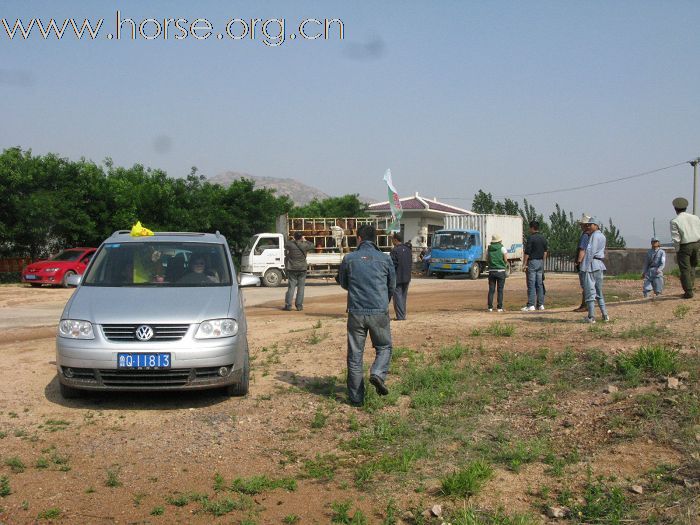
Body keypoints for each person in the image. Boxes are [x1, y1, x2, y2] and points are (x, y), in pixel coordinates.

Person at [338, 224, 396, 406]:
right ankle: (378, 373)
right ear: (375, 238)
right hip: (379, 310)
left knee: (355, 355)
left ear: (359, 238)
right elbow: (392, 285)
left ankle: (356, 400)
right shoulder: (385, 259)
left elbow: (343, 282)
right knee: (384, 347)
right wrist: (382, 302)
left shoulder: (349, 258)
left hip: (355, 311)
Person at [579, 218, 609, 323]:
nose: (588, 227)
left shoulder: (594, 236)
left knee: (590, 292)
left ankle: (591, 316)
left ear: (596, 225)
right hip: (599, 265)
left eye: (590, 225)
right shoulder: (602, 236)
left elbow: (590, 251)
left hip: (591, 265)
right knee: (599, 292)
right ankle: (605, 315)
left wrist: (584, 267)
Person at [670, 197, 700, 299]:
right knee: (692, 266)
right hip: (696, 244)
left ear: (675, 208)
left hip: (685, 246)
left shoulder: (675, 221)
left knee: (685, 269)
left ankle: (688, 292)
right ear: (686, 207)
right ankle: (691, 286)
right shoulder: (695, 218)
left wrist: (677, 250)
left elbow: (676, 238)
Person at [521, 221, 548, 311]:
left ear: (532, 228)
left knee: (531, 283)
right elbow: (545, 252)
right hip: (540, 262)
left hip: (532, 262)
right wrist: (542, 262)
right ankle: (540, 304)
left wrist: (524, 264)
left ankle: (531, 305)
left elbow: (527, 252)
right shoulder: (543, 238)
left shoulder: (531, 238)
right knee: (539, 284)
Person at [284, 232, 313, 311]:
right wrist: (305, 240)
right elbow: (312, 245)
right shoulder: (305, 245)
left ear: (294, 237)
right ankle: (299, 306)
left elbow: (285, 244)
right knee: (301, 288)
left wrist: (293, 240)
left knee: (291, 287)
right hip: (302, 269)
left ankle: (288, 305)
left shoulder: (290, 244)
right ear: (301, 237)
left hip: (292, 268)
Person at [390, 232, 412, 320]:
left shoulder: (395, 250)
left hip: (397, 277)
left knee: (397, 297)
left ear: (395, 240)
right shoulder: (407, 249)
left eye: (392, 239)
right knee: (403, 297)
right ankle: (402, 315)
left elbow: (392, 264)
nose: (391, 241)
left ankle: (400, 316)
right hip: (407, 277)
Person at [573, 214, 592, 312]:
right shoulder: (592, 236)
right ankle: (586, 304)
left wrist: (578, 261)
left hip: (583, 263)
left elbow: (582, 249)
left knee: (584, 284)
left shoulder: (585, 236)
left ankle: (585, 305)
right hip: (589, 263)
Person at [486, 234, 508, 312]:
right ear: (499, 241)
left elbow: (487, 259)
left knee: (491, 290)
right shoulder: (502, 248)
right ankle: (499, 307)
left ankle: (490, 307)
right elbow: (505, 259)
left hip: (492, 271)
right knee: (500, 290)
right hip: (501, 271)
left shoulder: (489, 248)